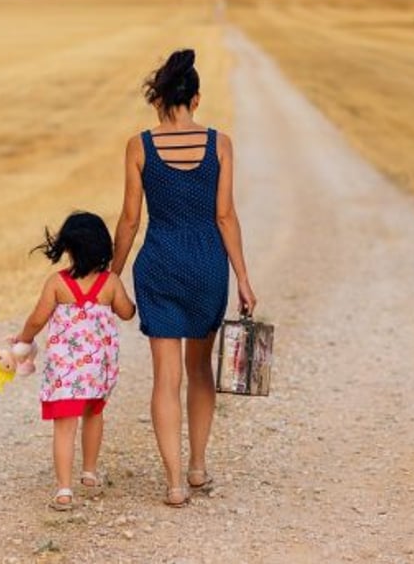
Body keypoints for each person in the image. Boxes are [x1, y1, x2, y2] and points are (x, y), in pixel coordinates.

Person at [110, 48, 258, 507]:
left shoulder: (139, 146)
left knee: (165, 378)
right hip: (206, 265)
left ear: (159, 100)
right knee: (199, 370)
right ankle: (197, 467)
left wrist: (112, 276)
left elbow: (130, 220)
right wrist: (243, 277)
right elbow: (225, 216)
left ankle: (174, 484)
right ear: (195, 99)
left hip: (159, 262)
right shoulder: (220, 144)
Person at [14, 211, 137, 511]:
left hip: (65, 373)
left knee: (64, 427)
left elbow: (37, 318)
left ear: (67, 248)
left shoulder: (57, 283)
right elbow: (126, 313)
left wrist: (23, 340)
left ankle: (64, 490)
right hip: (97, 371)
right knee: (94, 416)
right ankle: (90, 473)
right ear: (104, 246)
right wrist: (131, 304)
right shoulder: (110, 283)